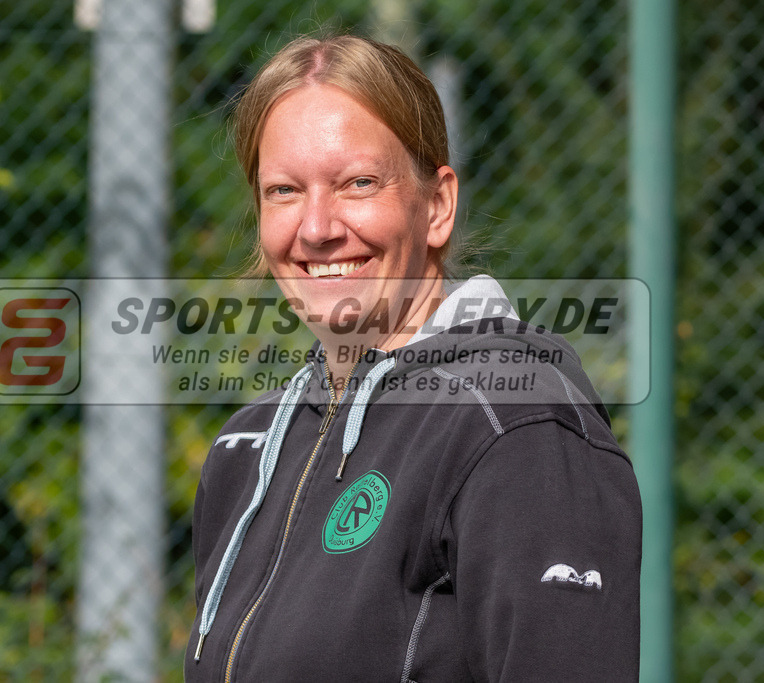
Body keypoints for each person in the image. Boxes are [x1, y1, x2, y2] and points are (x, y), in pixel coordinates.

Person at [186, 33, 641, 682]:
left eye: (357, 183)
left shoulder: (515, 423)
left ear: (437, 205)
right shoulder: (247, 447)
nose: (316, 227)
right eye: (284, 190)